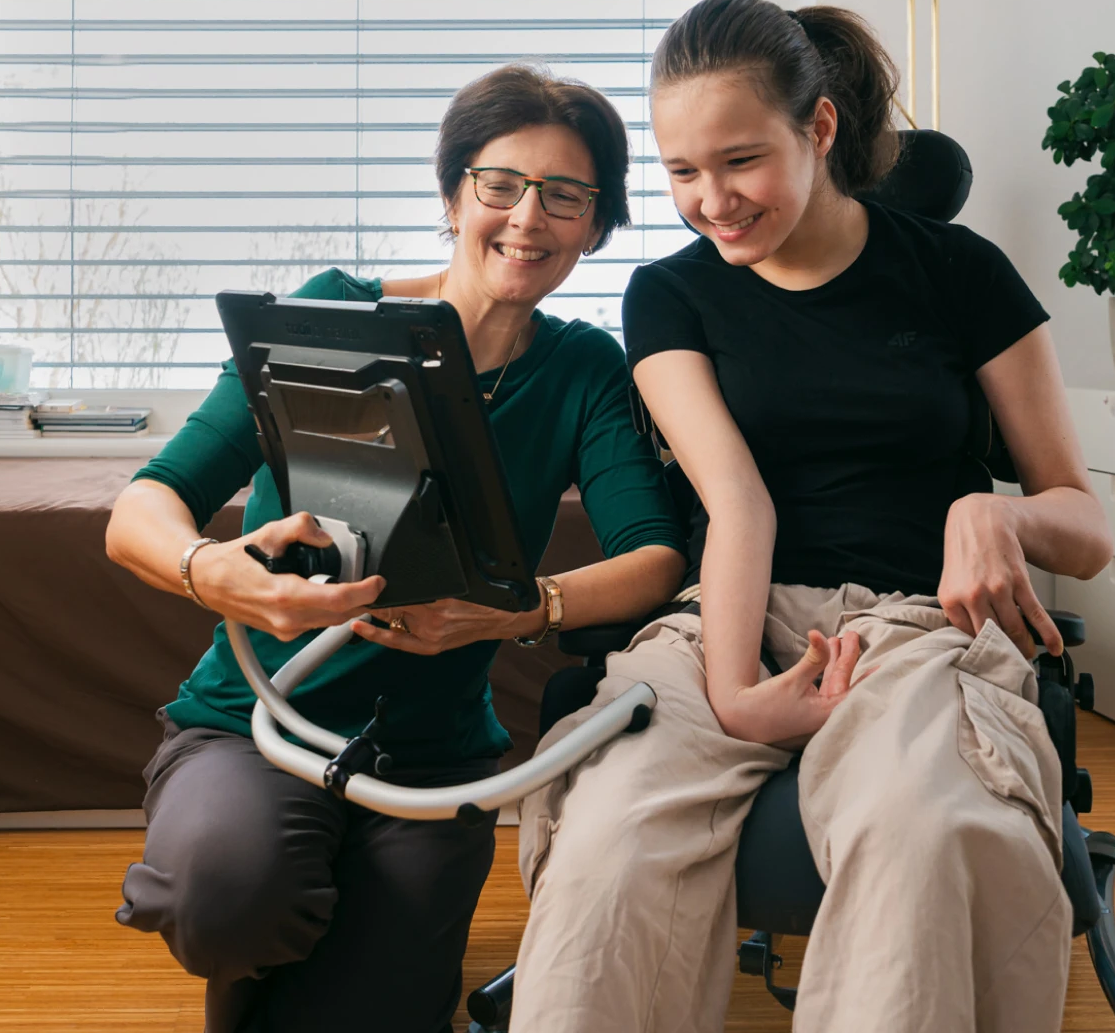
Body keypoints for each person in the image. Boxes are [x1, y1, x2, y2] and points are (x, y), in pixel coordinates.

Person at [510, 0, 1113, 1033]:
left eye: (739, 162)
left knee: (921, 831)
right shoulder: (670, 295)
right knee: (608, 839)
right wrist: (737, 691)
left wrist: (995, 513)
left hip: (916, 630)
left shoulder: (959, 274)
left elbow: (1087, 529)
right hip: (727, 622)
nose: (712, 201)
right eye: (681, 172)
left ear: (820, 128)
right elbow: (736, 501)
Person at [104, 64, 686, 1033]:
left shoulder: (584, 369)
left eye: (567, 196)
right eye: (499, 184)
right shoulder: (332, 315)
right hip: (261, 722)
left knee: (382, 1012)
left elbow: (655, 557)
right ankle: (264, 898)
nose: (527, 219)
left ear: (596, 223)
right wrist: (219, 576)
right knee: (227, 900)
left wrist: (525, 608)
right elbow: (143, 508)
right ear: (455, 193)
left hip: (430, 758)